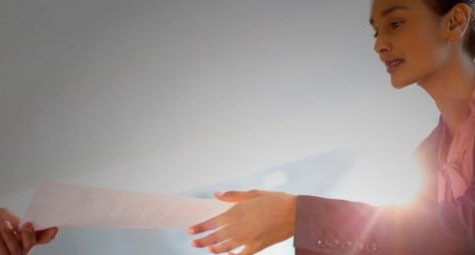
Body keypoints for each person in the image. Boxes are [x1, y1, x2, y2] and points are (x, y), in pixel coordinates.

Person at [187, 0, 475, 254]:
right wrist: (291, 219)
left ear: (455, 21)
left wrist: (297, 215)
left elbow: (463, 231)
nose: (379, 45)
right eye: (376, 31)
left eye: (396, 23)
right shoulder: (428, 156)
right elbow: (413, 244)